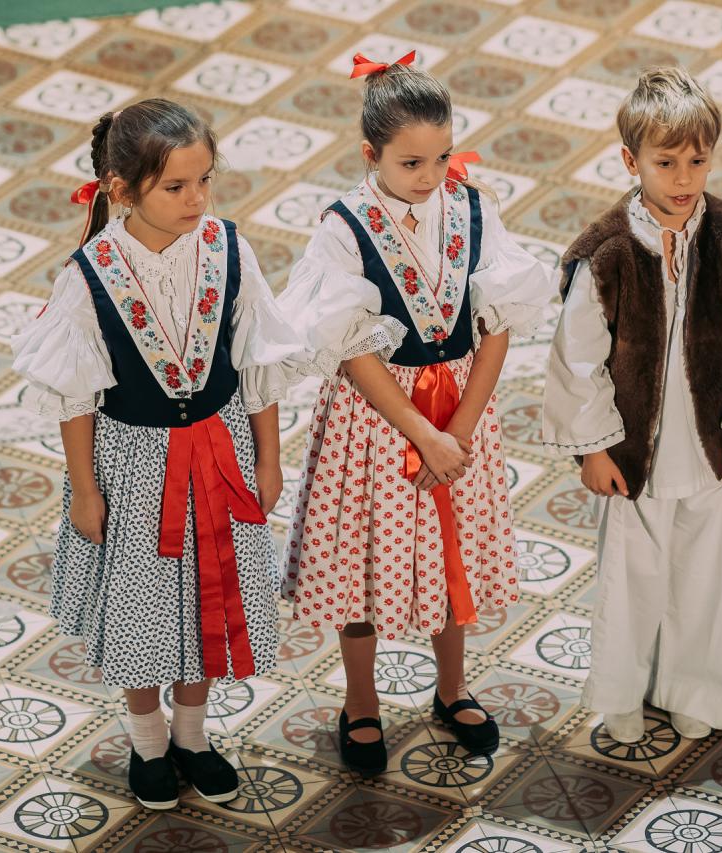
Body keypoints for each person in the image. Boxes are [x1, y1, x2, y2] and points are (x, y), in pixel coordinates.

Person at [11, 99, 300, 808]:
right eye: (176, 186)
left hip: (221, 453)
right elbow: (76, 397)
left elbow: (257, 363)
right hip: (133, 469)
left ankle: (192, 736)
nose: (196, 199)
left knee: (210, 594)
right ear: (121, 190)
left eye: (205, 180)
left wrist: (268, 459)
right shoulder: (89, 275)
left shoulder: (229, 249)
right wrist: (86, 490)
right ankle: (147, 740)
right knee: (141, 609)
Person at [277, 52, 553, 775]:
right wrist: (422, 431)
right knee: (361, 561)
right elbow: (349, 346)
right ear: (370, 155)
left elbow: (498, 322)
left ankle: (452, 688)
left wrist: (457, 431)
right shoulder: (343, 228)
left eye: (442, 157)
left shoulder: (473, 208)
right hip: (376, 420)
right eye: (410, 163)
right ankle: (360, 701)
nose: (430, 177)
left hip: (460, 407)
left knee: (450, 550)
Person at [542, 67, 722, 744]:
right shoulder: (608, 252)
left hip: (707, 442)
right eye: (666, 162)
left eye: (697, 161)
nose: (683, 178)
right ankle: (624, 692)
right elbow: (578, 356)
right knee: (632, 575)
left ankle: (693, 689)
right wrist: (593, 447)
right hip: (634, 450)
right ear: (632, 161)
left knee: (703, 575)